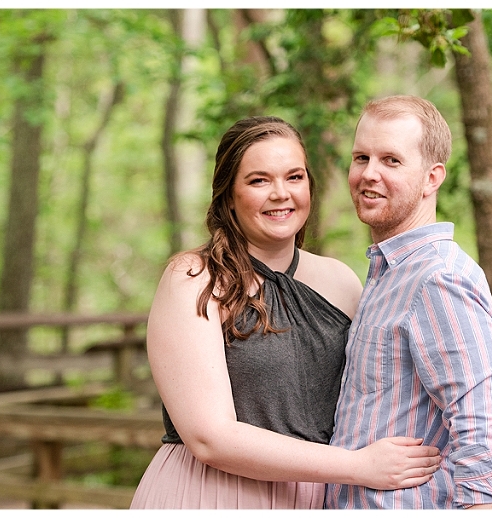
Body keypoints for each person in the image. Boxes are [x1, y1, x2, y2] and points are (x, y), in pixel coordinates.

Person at [130, 115, 441, 509]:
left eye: (294, 177)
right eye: (259, 180)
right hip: (214, 494)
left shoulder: (342, 281)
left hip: (321, 497)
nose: (281, 194)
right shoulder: (195, 280)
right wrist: (359, 466)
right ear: (228, 195)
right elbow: (210, 438)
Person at [325, 95, 492, 509]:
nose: (368, 174)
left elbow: (482, 428)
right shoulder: (387, 275)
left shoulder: (438, 277)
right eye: (361, 157)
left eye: (391, 160)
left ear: (432, 178)